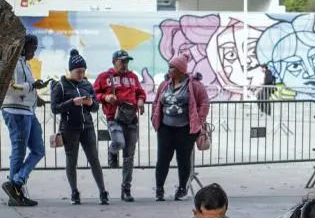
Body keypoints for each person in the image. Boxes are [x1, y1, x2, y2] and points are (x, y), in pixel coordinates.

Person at [50, 49, 109, 205]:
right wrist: (72, 103)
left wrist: (90, 103)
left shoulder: (87, 85)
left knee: (94, 159)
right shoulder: (61, 85)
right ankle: (74, 192)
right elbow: (55, 108)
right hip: (69, 129)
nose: (81, 74)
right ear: (71, 70)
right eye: (78, 71)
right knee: (72, 160)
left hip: (87, 126)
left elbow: (96, 106)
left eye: (83, 71)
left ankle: (103, 191)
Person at [152, 53, 211, 202]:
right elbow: (156, 102)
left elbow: (204, 102)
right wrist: (155, 118)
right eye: (169, 66)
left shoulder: (194, 85)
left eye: (172, 67)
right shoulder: (164, 84)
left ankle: (182, 188)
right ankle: (159, 188)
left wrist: (200, 120)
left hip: (185, 129)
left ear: (180, 69)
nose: (169, 69)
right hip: (165, 128)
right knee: (162, 159)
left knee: (183, 160)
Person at [93, 50, 146, 202]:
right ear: (114, 61)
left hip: (131, 119)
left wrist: (141, 100)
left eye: (127, 61)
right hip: (114, 118)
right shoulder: (104, 77)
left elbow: (140, 93)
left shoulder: (133, 77)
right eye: (122, 61)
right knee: (118, 142)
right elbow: (93, 94)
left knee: (129, 157)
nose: (125, 64)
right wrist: (105, 97)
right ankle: (112, 152)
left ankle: (126, 189)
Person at [1, 34, 46, 207]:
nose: (34, 50)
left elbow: (25, 88)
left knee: (38, 150)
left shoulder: (25, 64)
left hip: (28, 111)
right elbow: (12, 87)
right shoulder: (13, 63)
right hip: (15, 111)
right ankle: (16, 194)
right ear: (24, 46)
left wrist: (36, 97)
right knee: (18, 152)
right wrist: (33, 86)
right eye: (33, 47)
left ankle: (16, 183)